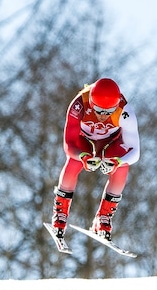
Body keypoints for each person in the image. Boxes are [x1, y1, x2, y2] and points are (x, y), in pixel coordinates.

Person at [51, 77, 140, 241]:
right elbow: (69, 144)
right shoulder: (79, 104)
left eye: (108, 112)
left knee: (122, 168)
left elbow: (135, 152)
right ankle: (60, 213)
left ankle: (103, 217)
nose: (102, 116)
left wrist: (118, 162)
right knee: (74, 161)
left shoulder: (125, 112)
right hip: (84, 140)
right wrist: (83, 156)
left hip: (111, 142)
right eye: (98, 110)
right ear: (91, 102)